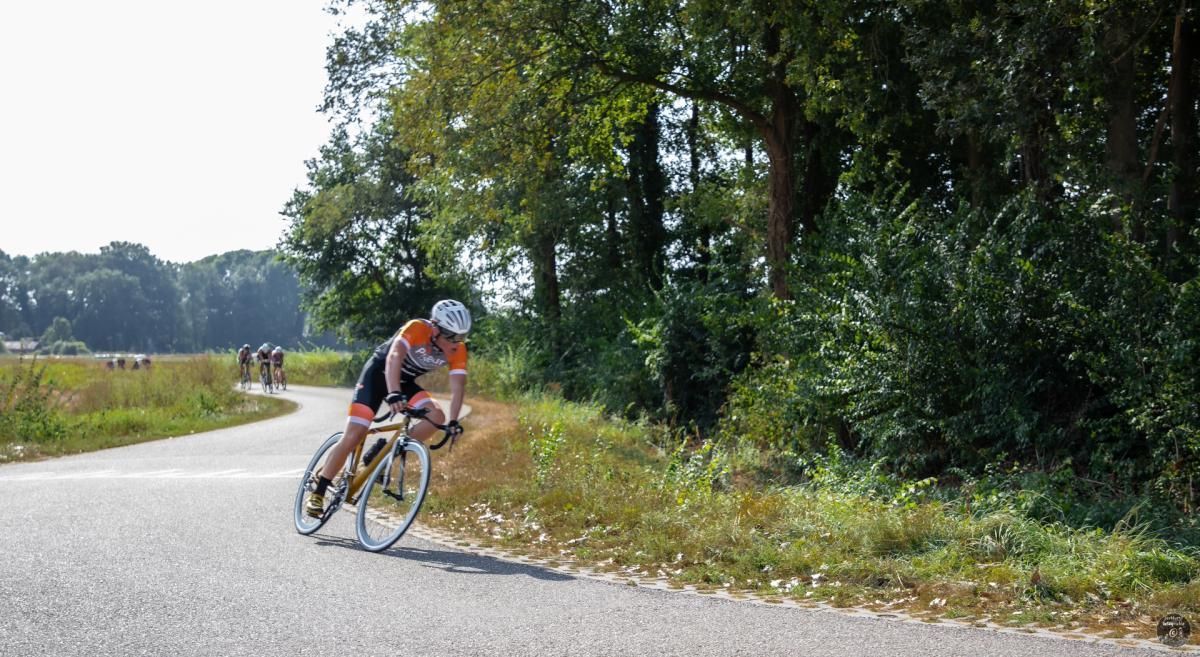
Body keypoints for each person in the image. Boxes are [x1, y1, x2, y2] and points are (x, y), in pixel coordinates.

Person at [305, 299, 471, 518]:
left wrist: (453, 421)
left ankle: (383, 457)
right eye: (451, 336)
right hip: (378, 375)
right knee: (354, 434)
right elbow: (394, 357)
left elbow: (458, 386)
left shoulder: (457, 349)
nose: (456, 342)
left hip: (404, 383)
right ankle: (319, 490)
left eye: (462, 337)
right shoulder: (417, 328)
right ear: (435, 328)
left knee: (436, 416)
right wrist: (393, 392)